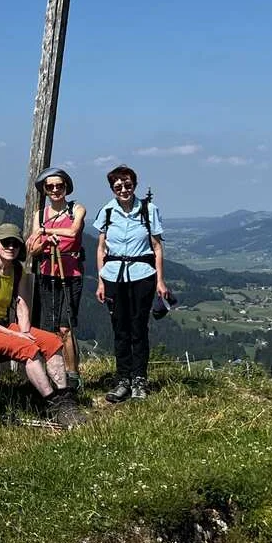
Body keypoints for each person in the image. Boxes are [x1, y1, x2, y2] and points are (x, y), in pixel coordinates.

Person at [0, 223, 85, 428]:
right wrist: (18, 336)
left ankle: (65, 397)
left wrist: (25, 331)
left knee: (52, 342)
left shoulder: (17, 270)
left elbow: (22, 306)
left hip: (2, 327)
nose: (11, 247)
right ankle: (52, 403)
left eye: (15, 244)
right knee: (27, 349)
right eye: (6, 243)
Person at [94, 164, 169, 403]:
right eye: (118, 186)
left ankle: (139, 380)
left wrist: (160, 280)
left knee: (138, 328)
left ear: (134, 185)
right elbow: (101, 248)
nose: (124, 190)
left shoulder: (149, 209)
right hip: (114, 276)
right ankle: (122, 380)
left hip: (142, 275)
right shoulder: (107, 211)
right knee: (120, 329)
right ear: (112, 189)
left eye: (128, 185)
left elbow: (157, 247)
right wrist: (100, 281)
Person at [26, 167, 86, 390]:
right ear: (44, 190)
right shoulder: (39, 214)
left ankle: (73, 374)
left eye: (59, 186)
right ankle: (55, 373)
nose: (55, 190)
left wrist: (44, 231)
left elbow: (73, 232)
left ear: (66, 187)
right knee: (49, 328)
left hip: (71, 274)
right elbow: (32, 248)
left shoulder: (76, 209)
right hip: (47, 273)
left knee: (65, 327)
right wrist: (42, 239)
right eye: (50, 187)